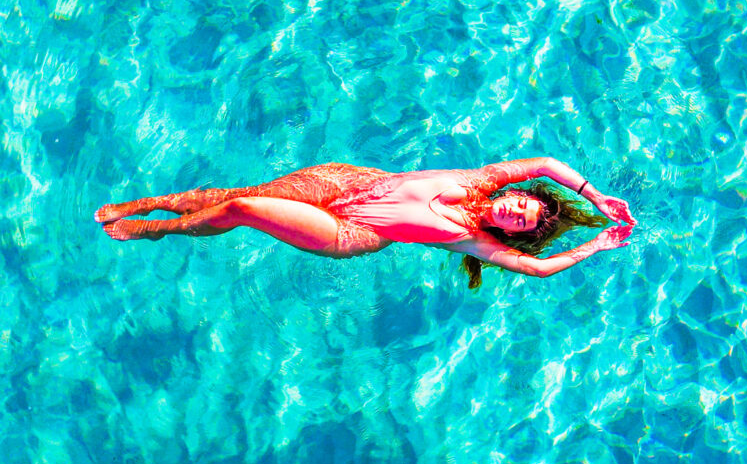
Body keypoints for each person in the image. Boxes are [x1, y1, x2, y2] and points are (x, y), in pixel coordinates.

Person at [95, 157, 636, 286]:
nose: (515, 211)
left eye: (520, 223)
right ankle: (148, 203)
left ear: (510, 235)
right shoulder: (483, 179)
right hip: (352, 184)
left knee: (243, 211)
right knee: (243, 193)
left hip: (351, 233)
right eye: (523, 203)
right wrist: (596, 195)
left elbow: (541, 270)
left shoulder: (472, 240)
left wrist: (594, 247)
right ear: (516, 193)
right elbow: (545, 165)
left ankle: (153, 228)